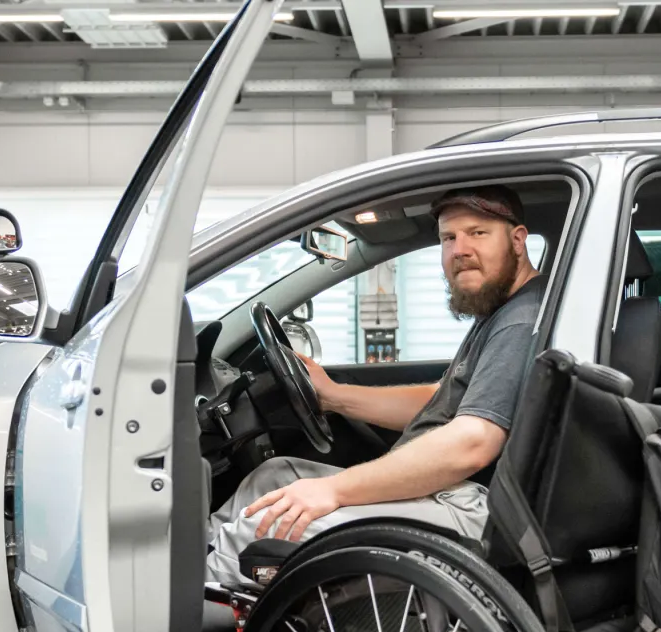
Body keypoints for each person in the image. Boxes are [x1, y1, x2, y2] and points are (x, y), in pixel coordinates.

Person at [206, 184, 545, 588]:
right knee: (274, 476)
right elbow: (440, 401)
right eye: (448, 238)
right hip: (446, 492)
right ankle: (194, 562)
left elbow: (473, 442)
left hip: (468, 508)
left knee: (263, 528)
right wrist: (332, 395)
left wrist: (334, 490)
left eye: (478, 233)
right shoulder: (502, 311)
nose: (460, 250)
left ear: (518, 240)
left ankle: (179, 614)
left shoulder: (520, 322)